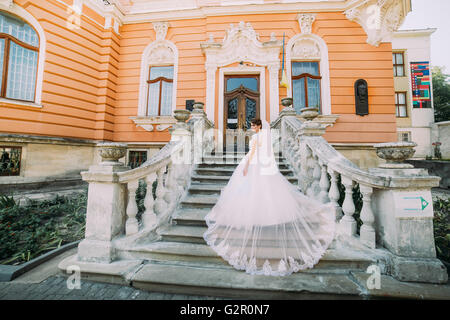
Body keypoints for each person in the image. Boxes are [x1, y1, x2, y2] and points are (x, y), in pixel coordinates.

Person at [203, 118, 336, 276]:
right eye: (251, 125)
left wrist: (245, 166)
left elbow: (252, 153)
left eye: (253, 125)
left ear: (258, 126)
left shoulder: (257, 137)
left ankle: (257, 216)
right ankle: (266, 215)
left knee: (251, 190)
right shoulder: (265, 138)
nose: (251, 127)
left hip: (254, 165)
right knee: (265, 191)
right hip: (264, 165)